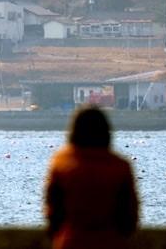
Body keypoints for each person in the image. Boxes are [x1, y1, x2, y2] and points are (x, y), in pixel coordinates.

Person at [44, 105, 139, 249]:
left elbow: (53, 212)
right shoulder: (120, 167)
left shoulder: (61, 164)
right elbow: (129, 215)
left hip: (71, 241)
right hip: (111, 242)